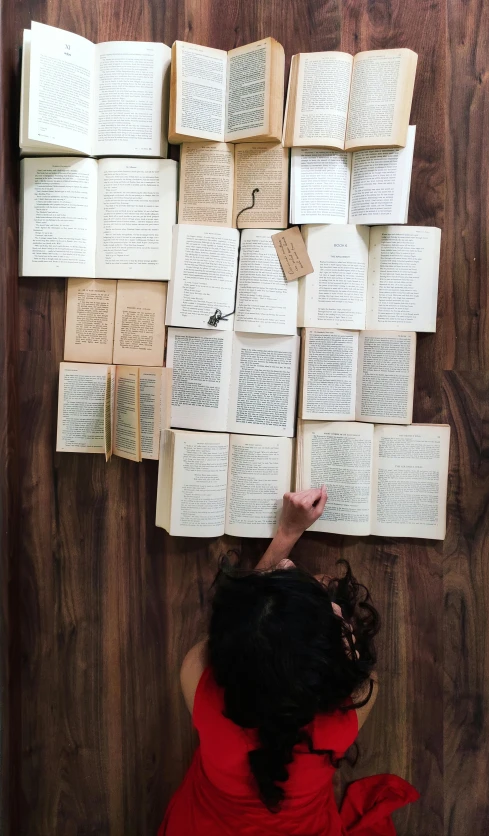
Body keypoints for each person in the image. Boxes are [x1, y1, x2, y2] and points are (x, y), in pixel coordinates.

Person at [159, 488, 419, 836]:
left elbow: (242, 628)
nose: (287, 564)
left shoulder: (198, 674)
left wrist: (285, 535)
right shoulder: (359, 700)